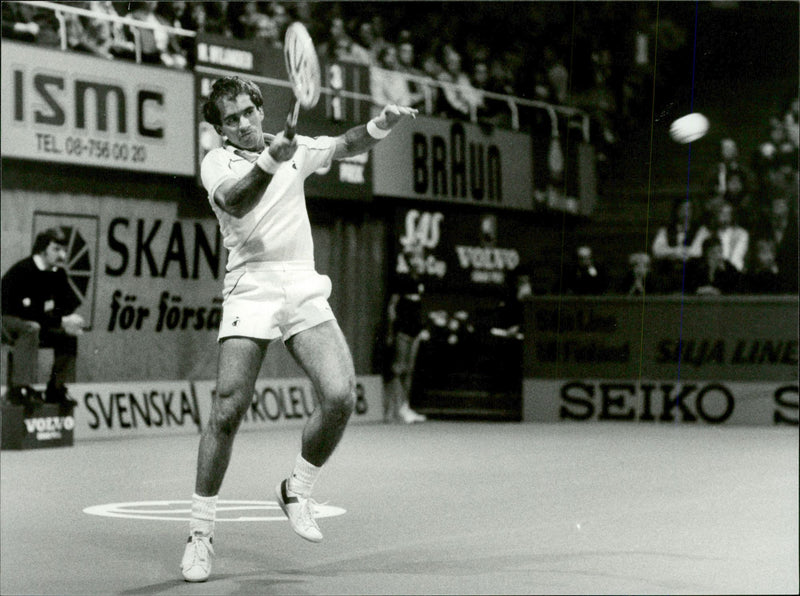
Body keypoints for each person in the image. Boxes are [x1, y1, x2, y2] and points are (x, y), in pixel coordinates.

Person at [180, 75, 417, 582]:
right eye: (230, 119)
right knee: (227, 408)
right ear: (220, 130)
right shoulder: (216, 163)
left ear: (260, 109)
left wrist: (382, 124)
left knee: (340, 395)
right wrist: (271, 159)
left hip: (302, 282)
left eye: (247, 112)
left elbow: (347, 143)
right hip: (252, 285)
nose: (242, 124)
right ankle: (200, 534)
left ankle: (297, 489)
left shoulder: (297, 148)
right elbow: (237, 201)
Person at [1, 228, 84, 404]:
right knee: (31, 328)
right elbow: (27, 313)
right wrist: (61, 320)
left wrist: (70, 320)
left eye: (64, 250)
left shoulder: (58, 274)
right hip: (7, 321)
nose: (62, 255)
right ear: (42, 249)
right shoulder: (23, 271)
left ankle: (56, 388)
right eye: (56, 249)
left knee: (68, 335)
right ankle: (20, 388)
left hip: (34, 321)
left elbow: (66, 305)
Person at [384, 241, 428, 424]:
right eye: (415, 257)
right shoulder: (401, 279)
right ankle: (392, 410)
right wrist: (390, 332)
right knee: (398, 370)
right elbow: (392, 307)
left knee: (408, 371)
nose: (418, 261)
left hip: (415, 331)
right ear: (409, 260)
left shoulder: (420, 281)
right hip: (402, 331)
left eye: (420, 257)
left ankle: (405, 408)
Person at [651, 198, 704, 292]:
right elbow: (657, 250)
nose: (685, 213)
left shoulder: (701, 230)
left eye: (688, 209)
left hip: (691, 270)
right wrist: (677, 252)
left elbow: (698, 252)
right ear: (677, 211)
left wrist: (672, 252)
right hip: (669, 270)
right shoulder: (666, 230)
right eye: (682, 209)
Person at [695, 199, 749, 272]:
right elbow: (695, 253)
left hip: (730, 273)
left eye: (728, 213)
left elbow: (736, 259)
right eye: (721, 213)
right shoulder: (704, 231)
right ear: (715, 214)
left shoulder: (741, 234)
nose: (725, 216)